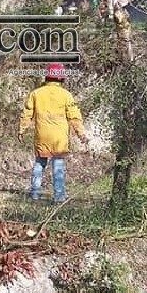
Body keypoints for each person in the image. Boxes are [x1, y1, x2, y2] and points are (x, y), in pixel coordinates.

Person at [19, 62, 88, 203]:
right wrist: (81, 134)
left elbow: (27, 114)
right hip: (59, 139)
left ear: (47, 77)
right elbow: (74, 117)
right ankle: (59, 196)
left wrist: (21, 130)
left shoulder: (35, 94)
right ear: (61, 78)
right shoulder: (66, 95)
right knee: (58, 167)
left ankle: (35, 194)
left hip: (42, 136)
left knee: (39, 164)